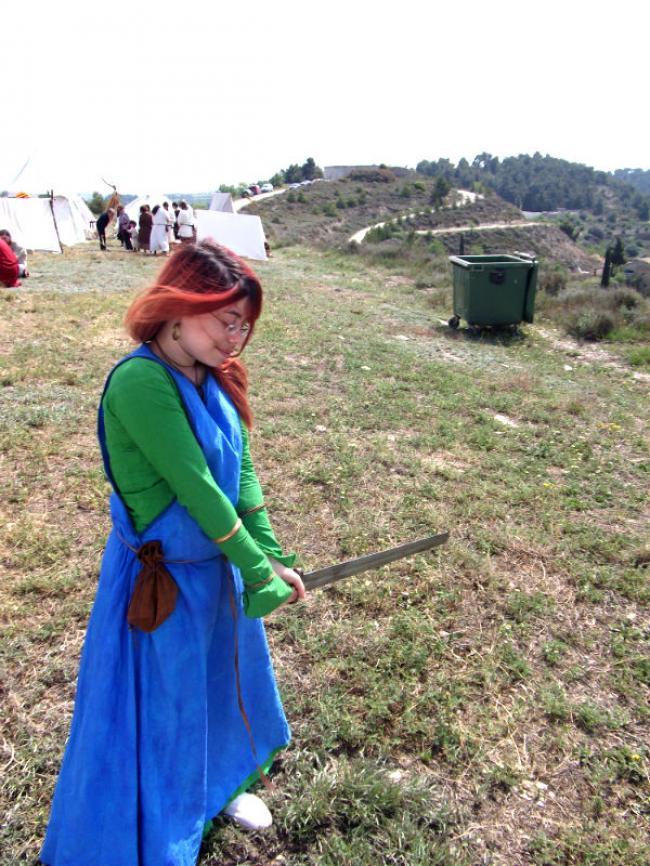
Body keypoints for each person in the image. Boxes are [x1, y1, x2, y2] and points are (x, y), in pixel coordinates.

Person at [40, 241, 305, 866]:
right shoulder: (140, 381)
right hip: (162, 587)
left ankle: (217, 789)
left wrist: (266, 553)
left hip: (217, 574)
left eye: (245, 324)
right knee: (164, 707)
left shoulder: (214, 373)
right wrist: (252, 565)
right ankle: (154, 830)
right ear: (181, 305)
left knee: (219, 684)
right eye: (226, 319)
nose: (237, 336)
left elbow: (240, 476)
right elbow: (199, 490)